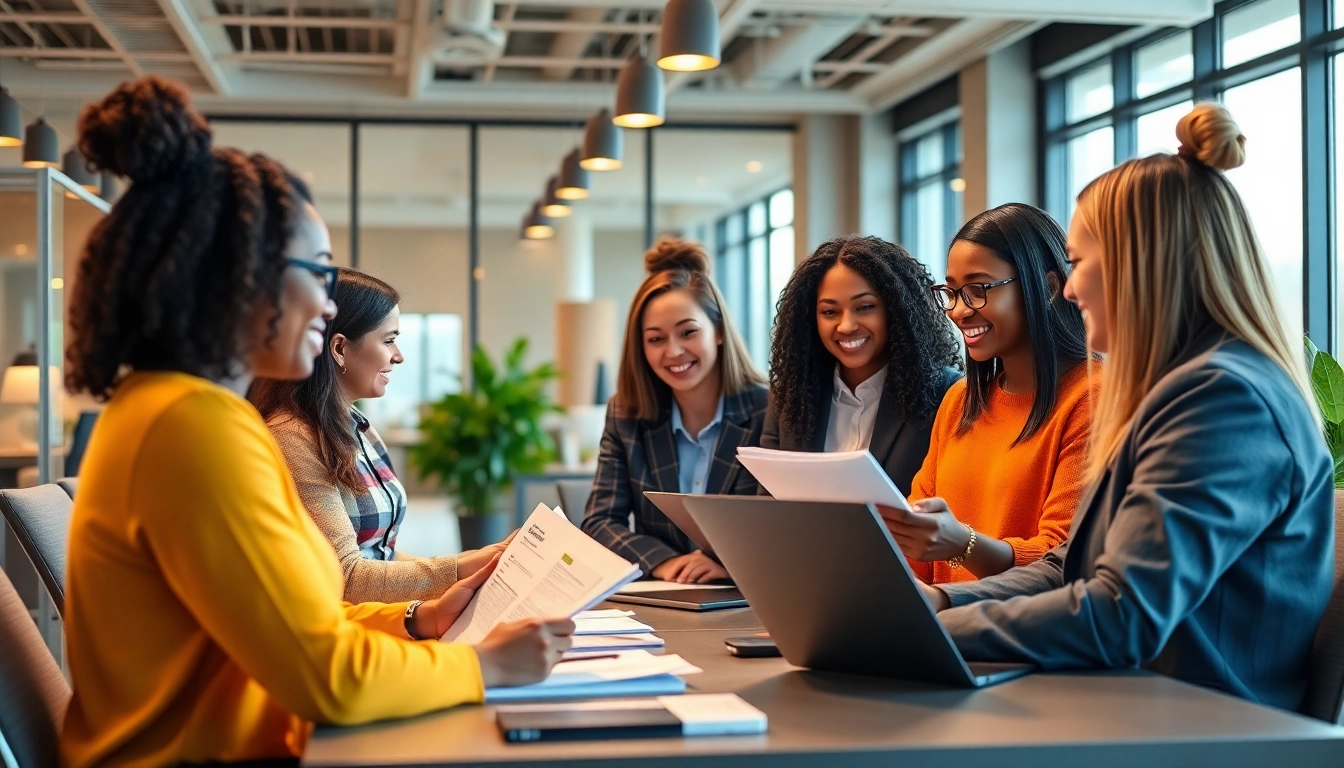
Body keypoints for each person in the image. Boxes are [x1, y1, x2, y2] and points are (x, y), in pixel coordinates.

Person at [59, 77, 572, 767]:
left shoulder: (184, 414)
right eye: (319, 275)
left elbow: (300, 622)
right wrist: (489, 667)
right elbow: (325, 673)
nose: (330, 310)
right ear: (243, 277)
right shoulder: (190, 430)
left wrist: (416, 618)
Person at [921, 104, 1334, 712]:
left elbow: (1122, 614)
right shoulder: (1177, 390)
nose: (1067, 289)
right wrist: (944, 604)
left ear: (1142, 267)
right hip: (1131, 702)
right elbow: (1072, 567)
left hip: (1199, 726)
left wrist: (932, 632)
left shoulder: (1223, 401)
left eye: (1081, 263)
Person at [250, 269, 507, 604]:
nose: (398, 355)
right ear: (339, 348)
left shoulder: (357, 427)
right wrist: (460, 569)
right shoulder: (292, 439)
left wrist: (473, 562)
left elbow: (380, 556)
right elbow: (347, 578)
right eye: (388, 340)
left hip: (382, 618)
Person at [881, 204, 1095, 585]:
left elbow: (1062, 562)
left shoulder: (1092, 396)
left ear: (1046, 288)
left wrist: (961, 543)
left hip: (1016, 636)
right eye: (952, 292)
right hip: (943, 633)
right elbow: (915, 554)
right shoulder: (961, 400)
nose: (959, 311)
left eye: (978, 289)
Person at [582, 237, 768, 584]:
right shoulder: (626, 415)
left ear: (718, 333)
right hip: (664, 596)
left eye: (688, 332)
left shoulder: (768, 411)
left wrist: (729, 565)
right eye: (656, 339)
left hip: (745, 599)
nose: (674, 351)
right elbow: (600, 522)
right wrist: (664, 562)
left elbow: (780, 526)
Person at [762, 235, 962, 495]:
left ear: (896, 310)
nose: (846, 326)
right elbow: (768, 509)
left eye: (865, 307)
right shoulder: (790, 398)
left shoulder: (946, 394)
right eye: (830, 312)